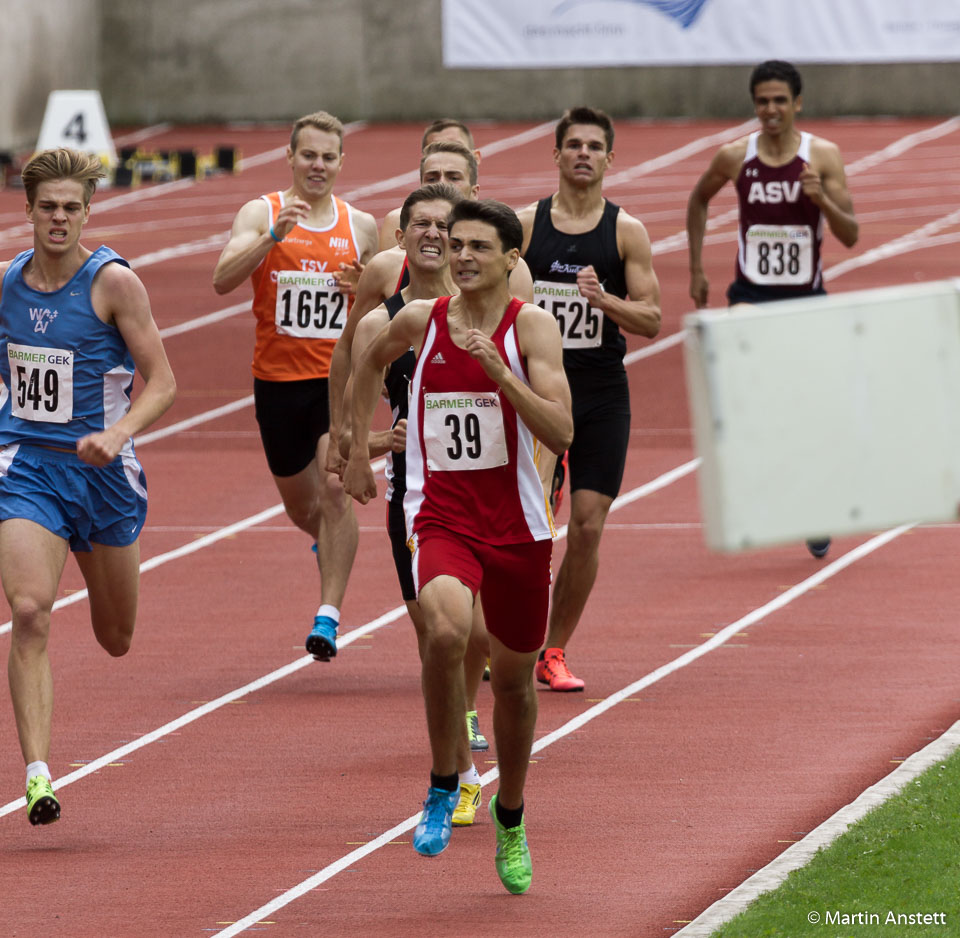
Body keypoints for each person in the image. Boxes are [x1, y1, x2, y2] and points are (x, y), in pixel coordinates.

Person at [343, 199, 573, 894]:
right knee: (441, 632)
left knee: (511, 686)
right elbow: (362, 361)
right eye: (456, 243)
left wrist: (503, 378)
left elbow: (561, 431)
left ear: (511, 259)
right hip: (440, 515)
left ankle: (511, 815)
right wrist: (356, 447)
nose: (463, 254)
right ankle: (445, 779)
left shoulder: (531, 327)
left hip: (519, 528)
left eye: (479, 246)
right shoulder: (420, 320)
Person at [0, 148, 177, 825]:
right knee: (29, 611)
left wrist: (119, 433)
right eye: (48, 206)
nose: (59, 218)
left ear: (87, 212)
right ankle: (38, 774)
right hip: (28, 469)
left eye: (72, 207)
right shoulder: (7, 283)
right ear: (29, 210)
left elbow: (162, 382)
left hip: (103, 478)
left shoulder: (113, 285)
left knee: (116, 636)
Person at [338, 182, 490, 826]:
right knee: (441, 634)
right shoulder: (385, 321)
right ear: (401, 239)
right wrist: (364, 451)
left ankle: (462, 729)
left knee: (487, 640)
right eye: (420, 225)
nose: (432, 235)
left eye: (444, 226)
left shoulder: (487, 311)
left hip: (493, 493)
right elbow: (355, 389)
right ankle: (463, 775)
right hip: (421, 500)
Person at [213, 111, 378, 658]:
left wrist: (362, 290)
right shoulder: (262, 211)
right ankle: (329, 546)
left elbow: (382, 300)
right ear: (290, 157)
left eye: (328, 157)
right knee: (304, 509)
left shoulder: (360, 226)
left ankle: (327, 618)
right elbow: (222, 280)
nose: (318, 165)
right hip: (277, 383)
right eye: (308, 154)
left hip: (338, 382)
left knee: (335, 490)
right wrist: (270, 239)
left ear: (341, 163)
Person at [686, 59, 859, 559]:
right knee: (743, 390)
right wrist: (697, 268)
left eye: (780, 100)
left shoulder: (822, 157)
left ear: (797, 103)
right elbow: (698, 201)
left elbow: (851, 235)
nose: (771, 109)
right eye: (763, 101)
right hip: (751, 295)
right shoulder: (735, 156)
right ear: (754, 104)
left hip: (806, 299)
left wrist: (822, 199)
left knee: (812, 410)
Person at [518, 106, 661, 692]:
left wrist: (605, 302)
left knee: (588, 523)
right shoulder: (526, 226)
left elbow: (651, 318)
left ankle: (553, 649)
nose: (583, 153)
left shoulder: (625, 231)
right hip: (535, 391)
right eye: (572, 144)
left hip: (600, 392)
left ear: (608, 158)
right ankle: (506, 635)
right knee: (525, 523)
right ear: (555, 155)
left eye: (593, 146)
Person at [375, 119, 482, 252]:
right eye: (432, 178)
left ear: (474, 192)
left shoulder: (494, 227)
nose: (441, 183)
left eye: (453, 178)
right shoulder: (398, 222)